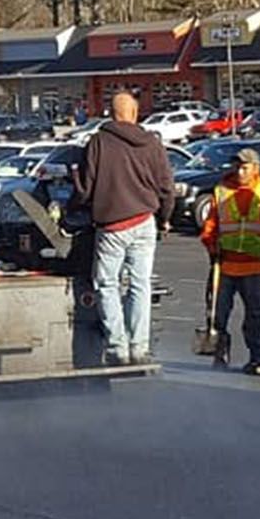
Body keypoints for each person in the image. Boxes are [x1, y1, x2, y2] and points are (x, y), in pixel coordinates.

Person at [76, 90, 174, 365]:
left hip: (112, 226)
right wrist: (164, 218)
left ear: (111, 114)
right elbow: (167, 187)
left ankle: (117, 346)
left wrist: (73, 203)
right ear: (134, 114)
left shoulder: (98, 142)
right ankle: (139, 347)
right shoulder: (152, 143)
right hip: (144, 221)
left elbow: (85, 187)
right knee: (140, 285)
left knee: (107, 284)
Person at [201, 146, 260, 373]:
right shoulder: (222, 190)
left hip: (253, 264)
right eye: (237, 167)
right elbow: (211, 223)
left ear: (255, 168)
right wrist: (211, 246)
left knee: (255, 313)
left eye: (244, 167)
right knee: (217, 313)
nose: (239, 172)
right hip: (225, 263)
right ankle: (220, 354)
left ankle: (257, 357)